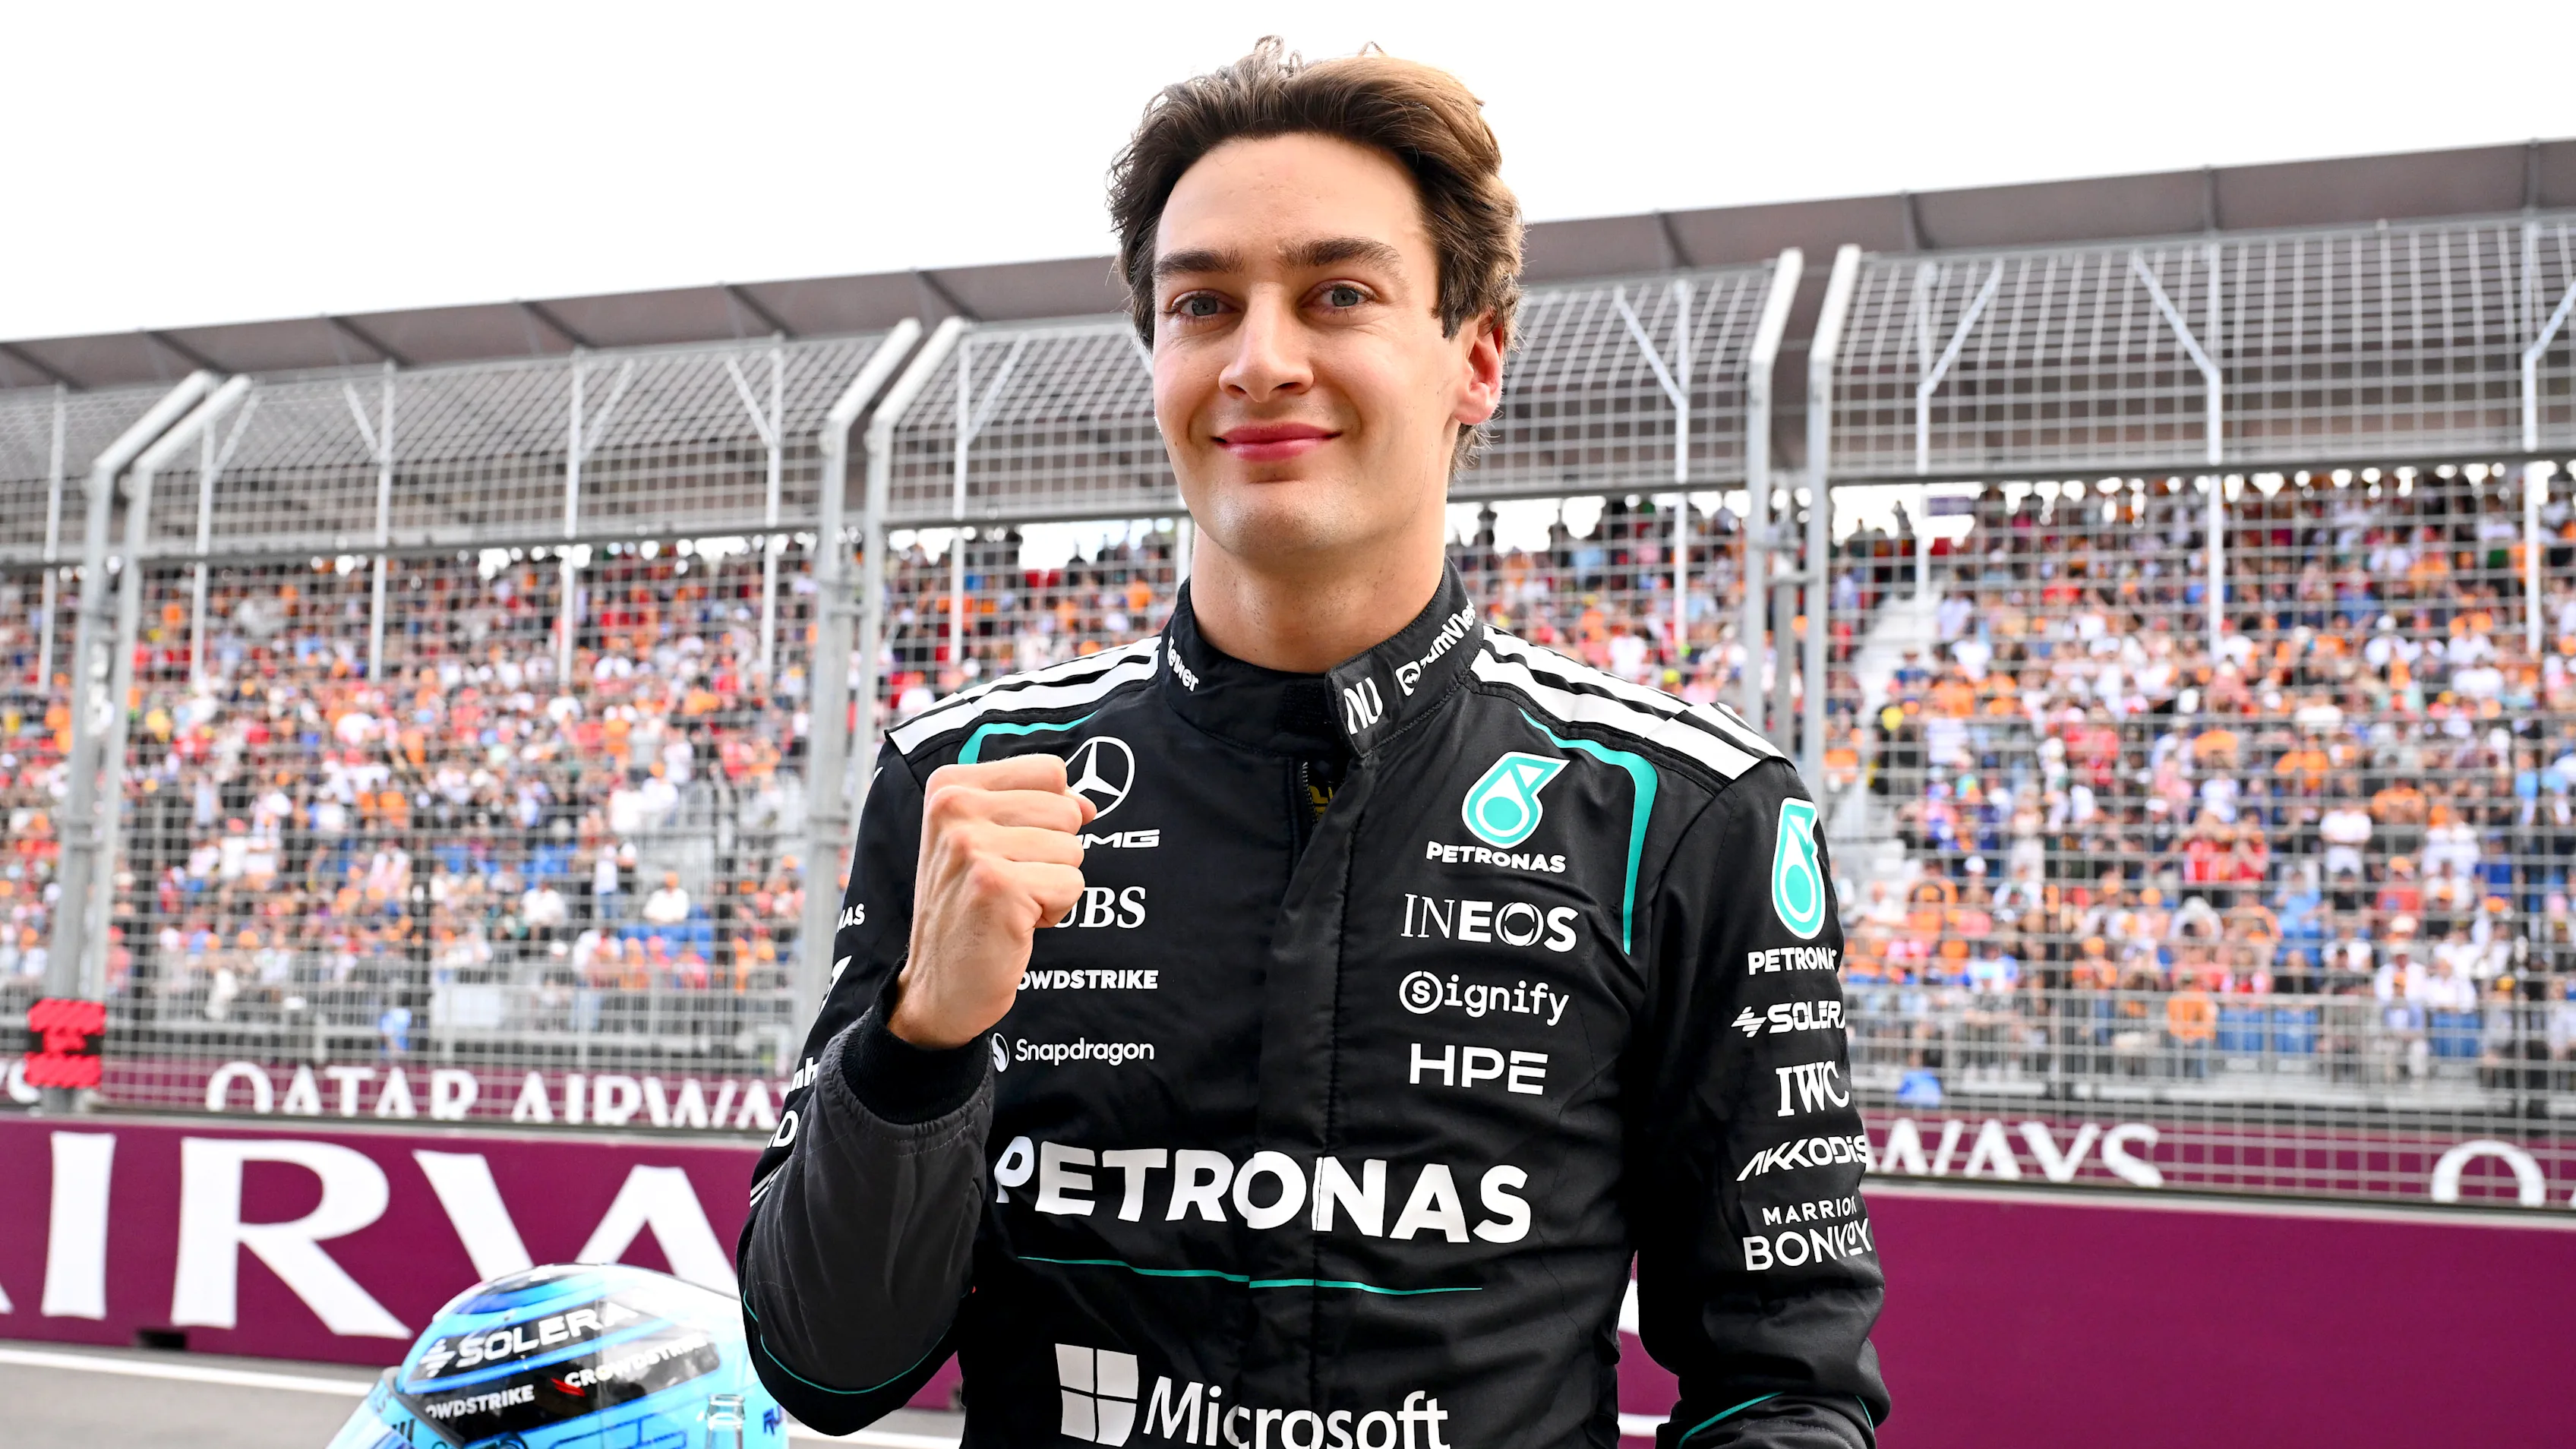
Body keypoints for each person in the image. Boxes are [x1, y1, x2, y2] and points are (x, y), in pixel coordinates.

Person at [737, 40, 1889, 1449]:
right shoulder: (970, 778)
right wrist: (921, 1044)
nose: (1261, 358)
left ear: (1475, 358)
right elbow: (827, 1372)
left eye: (1337, 294)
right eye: (1204, 304)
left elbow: (1785, 1391)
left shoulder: (1688, 809)